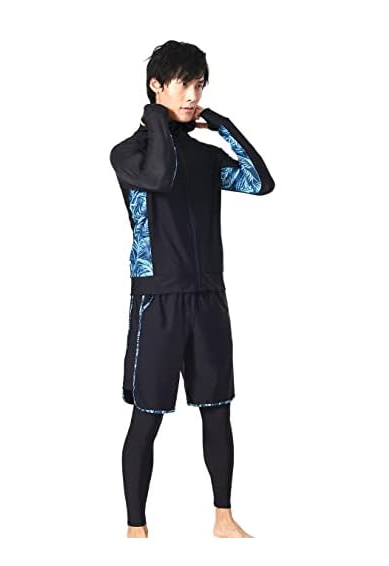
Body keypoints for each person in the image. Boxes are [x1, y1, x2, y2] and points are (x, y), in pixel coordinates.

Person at [109, 40, 275, 538]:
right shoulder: (129, 155)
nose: (193, 95)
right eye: (183, 84)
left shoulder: (203, 156)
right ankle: (136, 529)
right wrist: (155, 119)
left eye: (199, 85)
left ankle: (224, 518)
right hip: (157, 298)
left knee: (217, 410)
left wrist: (223, 126)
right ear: (156, 85)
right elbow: (160, 176)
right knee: (147, 418)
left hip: (207, 299)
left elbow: (260, 182)